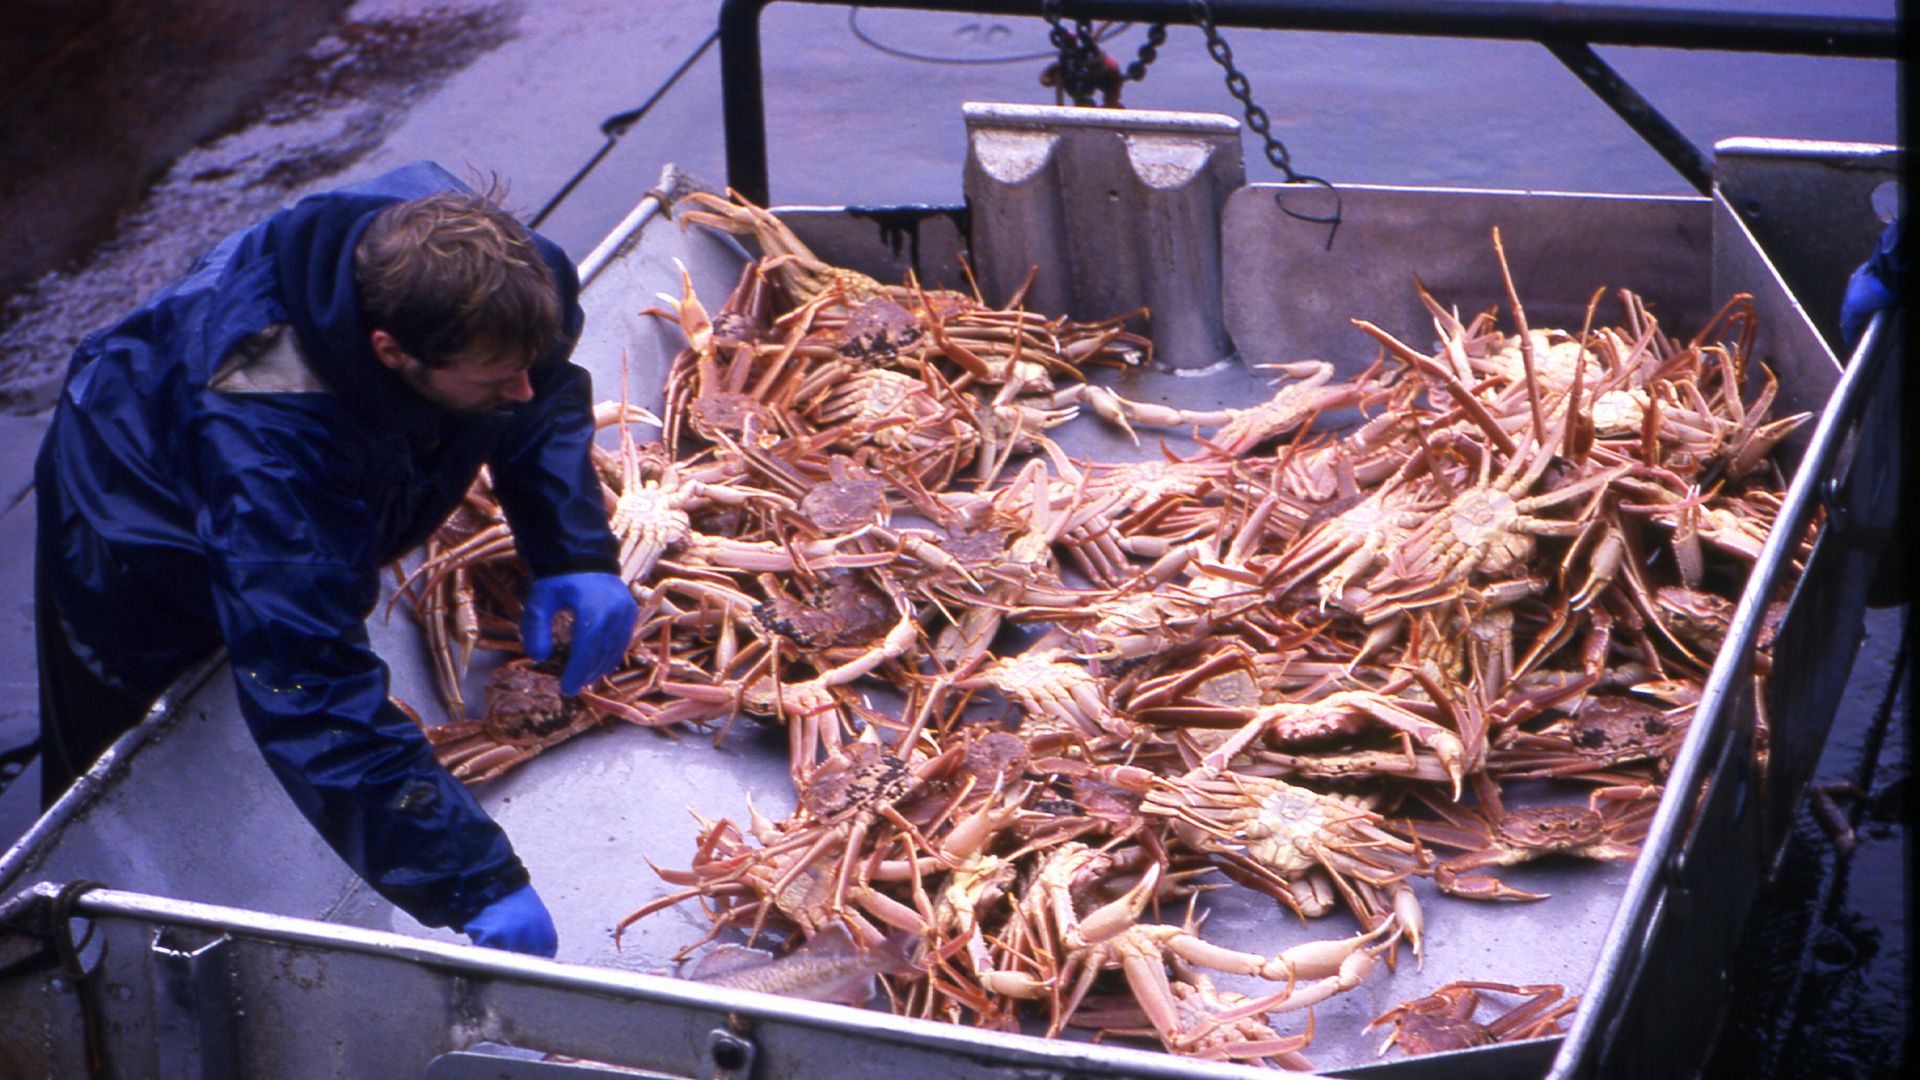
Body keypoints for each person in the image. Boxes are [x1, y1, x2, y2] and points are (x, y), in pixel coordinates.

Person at [32, 161, 639, 957]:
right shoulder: (268, 445)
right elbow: (309, 681)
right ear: (392, 353)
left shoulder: (507, 275)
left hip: (333, 442)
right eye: (496, 377)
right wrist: (474, 882)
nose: (521, 391)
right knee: (132, 765)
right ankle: (82, 951)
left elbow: (543, 386)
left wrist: (571, 545)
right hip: (131, 516)